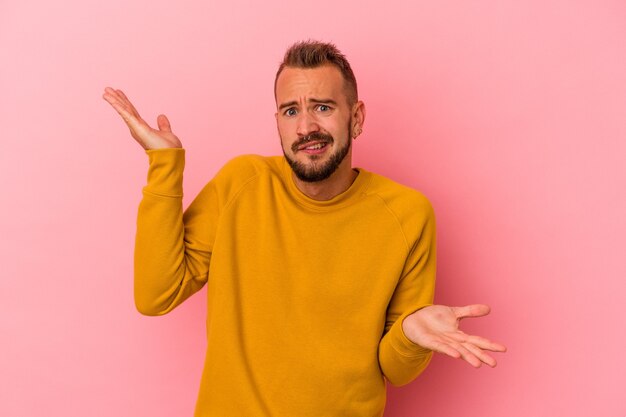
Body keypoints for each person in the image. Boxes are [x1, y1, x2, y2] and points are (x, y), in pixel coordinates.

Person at [103, 40, 506, 417]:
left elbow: (397, 370)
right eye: (291, 111)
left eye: (324, 107)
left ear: (357, 117)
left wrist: (409, 335)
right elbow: (156, 295)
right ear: (277, 120)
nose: (305, 127)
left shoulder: (407, 213)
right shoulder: (242, 184)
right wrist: (165, 166)